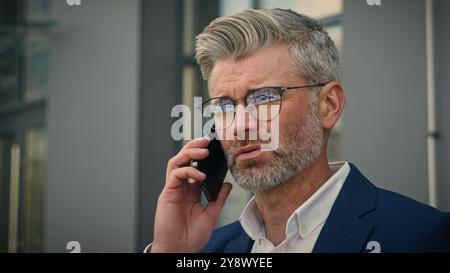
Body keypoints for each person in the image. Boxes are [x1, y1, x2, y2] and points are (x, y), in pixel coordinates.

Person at [149, 9, 450, 253]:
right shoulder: (207, 249)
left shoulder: (422, 237)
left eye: (264, 97)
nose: (240, 126)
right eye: (225, 105)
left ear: (328, 105)